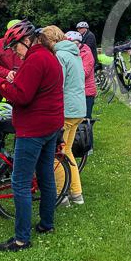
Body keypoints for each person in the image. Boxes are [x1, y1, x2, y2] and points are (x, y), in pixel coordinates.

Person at [0, 20, 64, 251]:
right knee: (45, 177)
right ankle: (46, 224)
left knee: (19, 182)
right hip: (51, 126)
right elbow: (31, 86)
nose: (15, 53)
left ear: (27, 41)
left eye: (16, 47)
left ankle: (21, 238)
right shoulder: (47, 56)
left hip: (34, 129)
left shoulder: (36, 59)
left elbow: (21, 97)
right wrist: (13, 80)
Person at [39, 26, 86, 206]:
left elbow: (58, 85)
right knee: (67, 152)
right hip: (78, 109)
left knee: (54, 155)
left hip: (66, 111)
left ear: (50, 41)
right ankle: (76, 193)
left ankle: (61, 195)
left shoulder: (59, 56)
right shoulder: (74, 54)